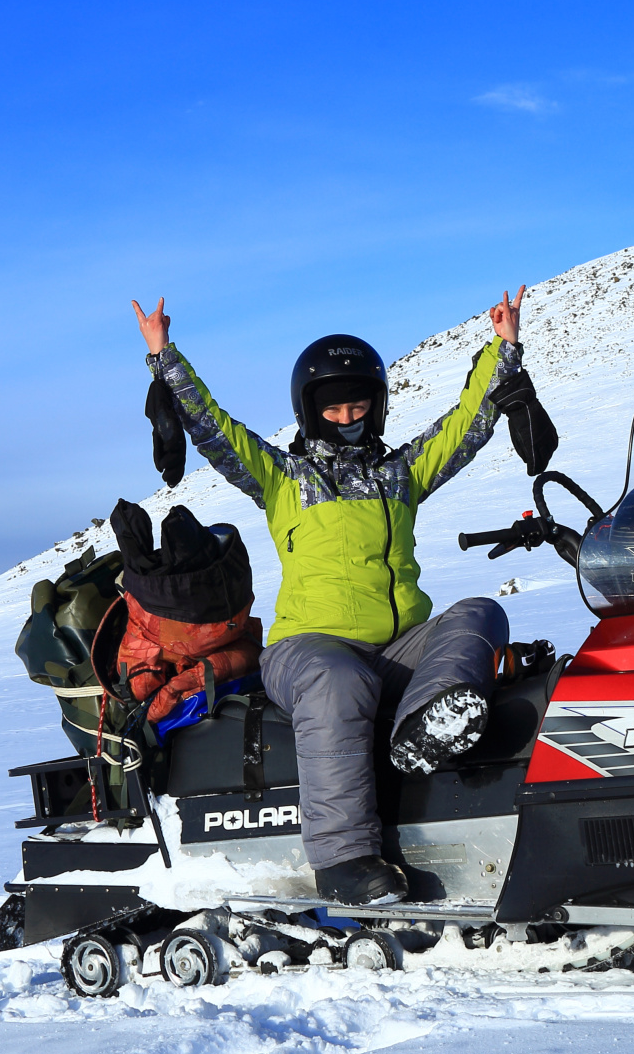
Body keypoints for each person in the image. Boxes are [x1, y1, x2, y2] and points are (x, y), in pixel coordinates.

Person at [132, 289, 527, 905]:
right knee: (341, 681)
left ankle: (425, 724)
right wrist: (164, 356)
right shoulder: (282, 478)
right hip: (308, 651)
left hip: (400, 647)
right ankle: (344, 861)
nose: (349, 418)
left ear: (378, 407)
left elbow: (463, 428)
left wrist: (502, 350)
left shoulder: (399, 474)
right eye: (335, 409)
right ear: (312, 412)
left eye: (359, 406)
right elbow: (216, 430)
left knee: (481, 612)